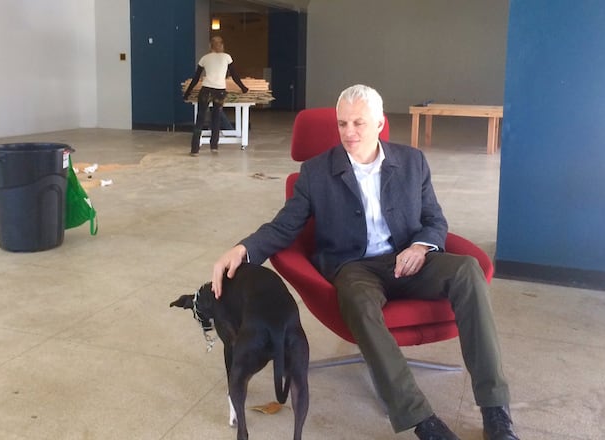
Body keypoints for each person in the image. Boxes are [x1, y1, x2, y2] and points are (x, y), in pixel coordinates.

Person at [211, 84, 520, 440]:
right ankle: (421, 420)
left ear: (379, 123)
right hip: (353, 268)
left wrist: (421, 247)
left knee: (467, 270)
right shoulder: (315, 172)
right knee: (358, 299)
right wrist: (242, 249)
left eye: (358, 122)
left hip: (408, 259)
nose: (349, 132)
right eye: (342, 124)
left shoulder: (412, 161)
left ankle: (495, 410)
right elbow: (285, 226)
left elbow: (435, 220)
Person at [183, 36, 249, 156]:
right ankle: (214, 146)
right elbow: (234, 75)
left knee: (200, 119)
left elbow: (196, 78)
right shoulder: (227, 57)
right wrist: (243, 88)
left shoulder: (204, 58)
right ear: (222, 45)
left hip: (206, 90)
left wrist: (187, 93)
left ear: (210, 46)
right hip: (220, 91)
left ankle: (195, 149)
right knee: (216, 118)